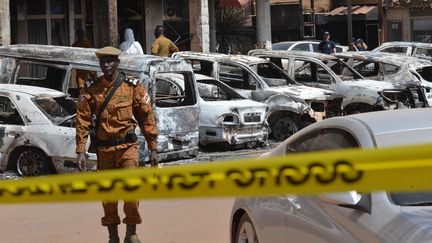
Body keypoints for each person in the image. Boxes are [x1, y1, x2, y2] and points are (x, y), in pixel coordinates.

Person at [76, 46, 158, 243]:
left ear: (117, 63)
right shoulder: (91, 89)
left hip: (127, 148)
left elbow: (146, 116)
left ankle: (131, 233)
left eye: (110, 61)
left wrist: (153, 147)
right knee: (109, 197)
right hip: (104, 150)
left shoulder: (132, 86)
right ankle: (113, 236)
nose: (106, 65)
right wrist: (80, 151)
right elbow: (83, 120)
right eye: (103, 61)